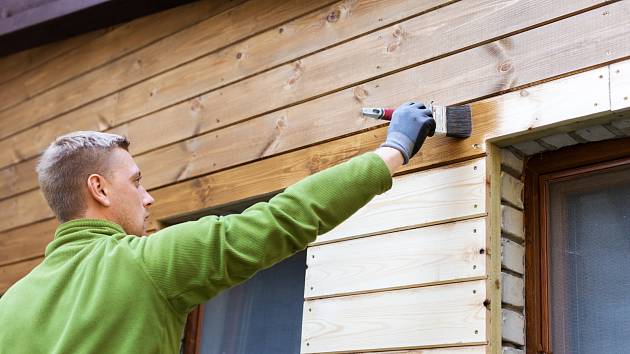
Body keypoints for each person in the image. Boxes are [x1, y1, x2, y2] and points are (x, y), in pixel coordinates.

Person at [0, 102, 435, 353]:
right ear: (99, 189)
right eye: (135, 181)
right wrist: (393, 150)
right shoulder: (147, 264)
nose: (148, 197)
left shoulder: (10, 306)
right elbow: (281, 220)